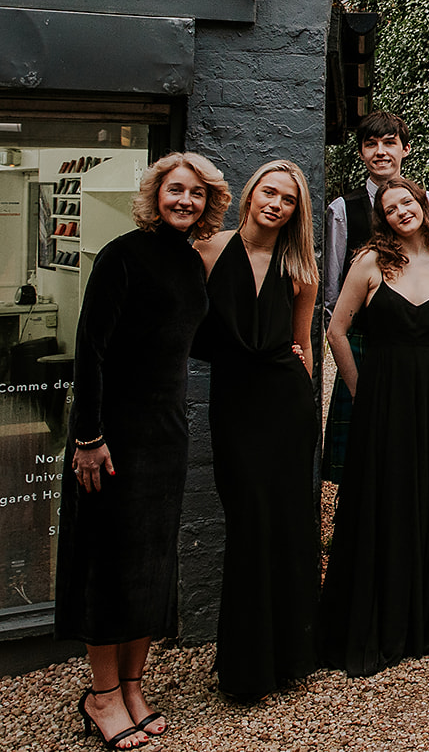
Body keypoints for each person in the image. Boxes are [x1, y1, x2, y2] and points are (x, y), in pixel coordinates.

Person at [58, 153, 229, 750]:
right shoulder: (121, 255)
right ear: (155, 193)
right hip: (111, 438)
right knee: (110, 563)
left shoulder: (189, 263)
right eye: (175, 190)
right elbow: (90, 348)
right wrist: (87, 436)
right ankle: (100, 695)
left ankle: (132, 685)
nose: (185, 201)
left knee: (151, 564)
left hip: (165, 435)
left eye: (196, 194)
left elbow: (195, 341)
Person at [319, 177, 429, 677]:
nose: (401, 210)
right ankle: (380, 618)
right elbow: (337, 330)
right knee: (383, 497)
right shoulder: (368, 263)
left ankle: (428, 620)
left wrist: (423, 376)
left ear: (425, 206)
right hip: (381, 396)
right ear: (382, 219)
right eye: (390, 207)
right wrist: (365, 387)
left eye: (408, 201)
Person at [192, 160, 319, 702]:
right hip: (236, 404)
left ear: (296, 211)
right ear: (250, 195)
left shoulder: (299, 265)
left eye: (288, 199)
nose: (276, 204)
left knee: (289, 526)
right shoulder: (206, 250)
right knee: (249, 525)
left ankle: (290, 660)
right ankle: (246, 671)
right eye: (269, 192)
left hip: (286, 405)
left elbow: (304, 343)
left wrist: (307, 399)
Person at [322, 112, 429, 483]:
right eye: (371, 144)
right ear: (361, 152)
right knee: (363, 453)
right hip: (364, 340)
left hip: (417, 344)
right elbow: (331, 292)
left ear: (405, 149)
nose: (380, 152)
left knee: (413, 452)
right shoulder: (343, 209)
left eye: (389, 142)